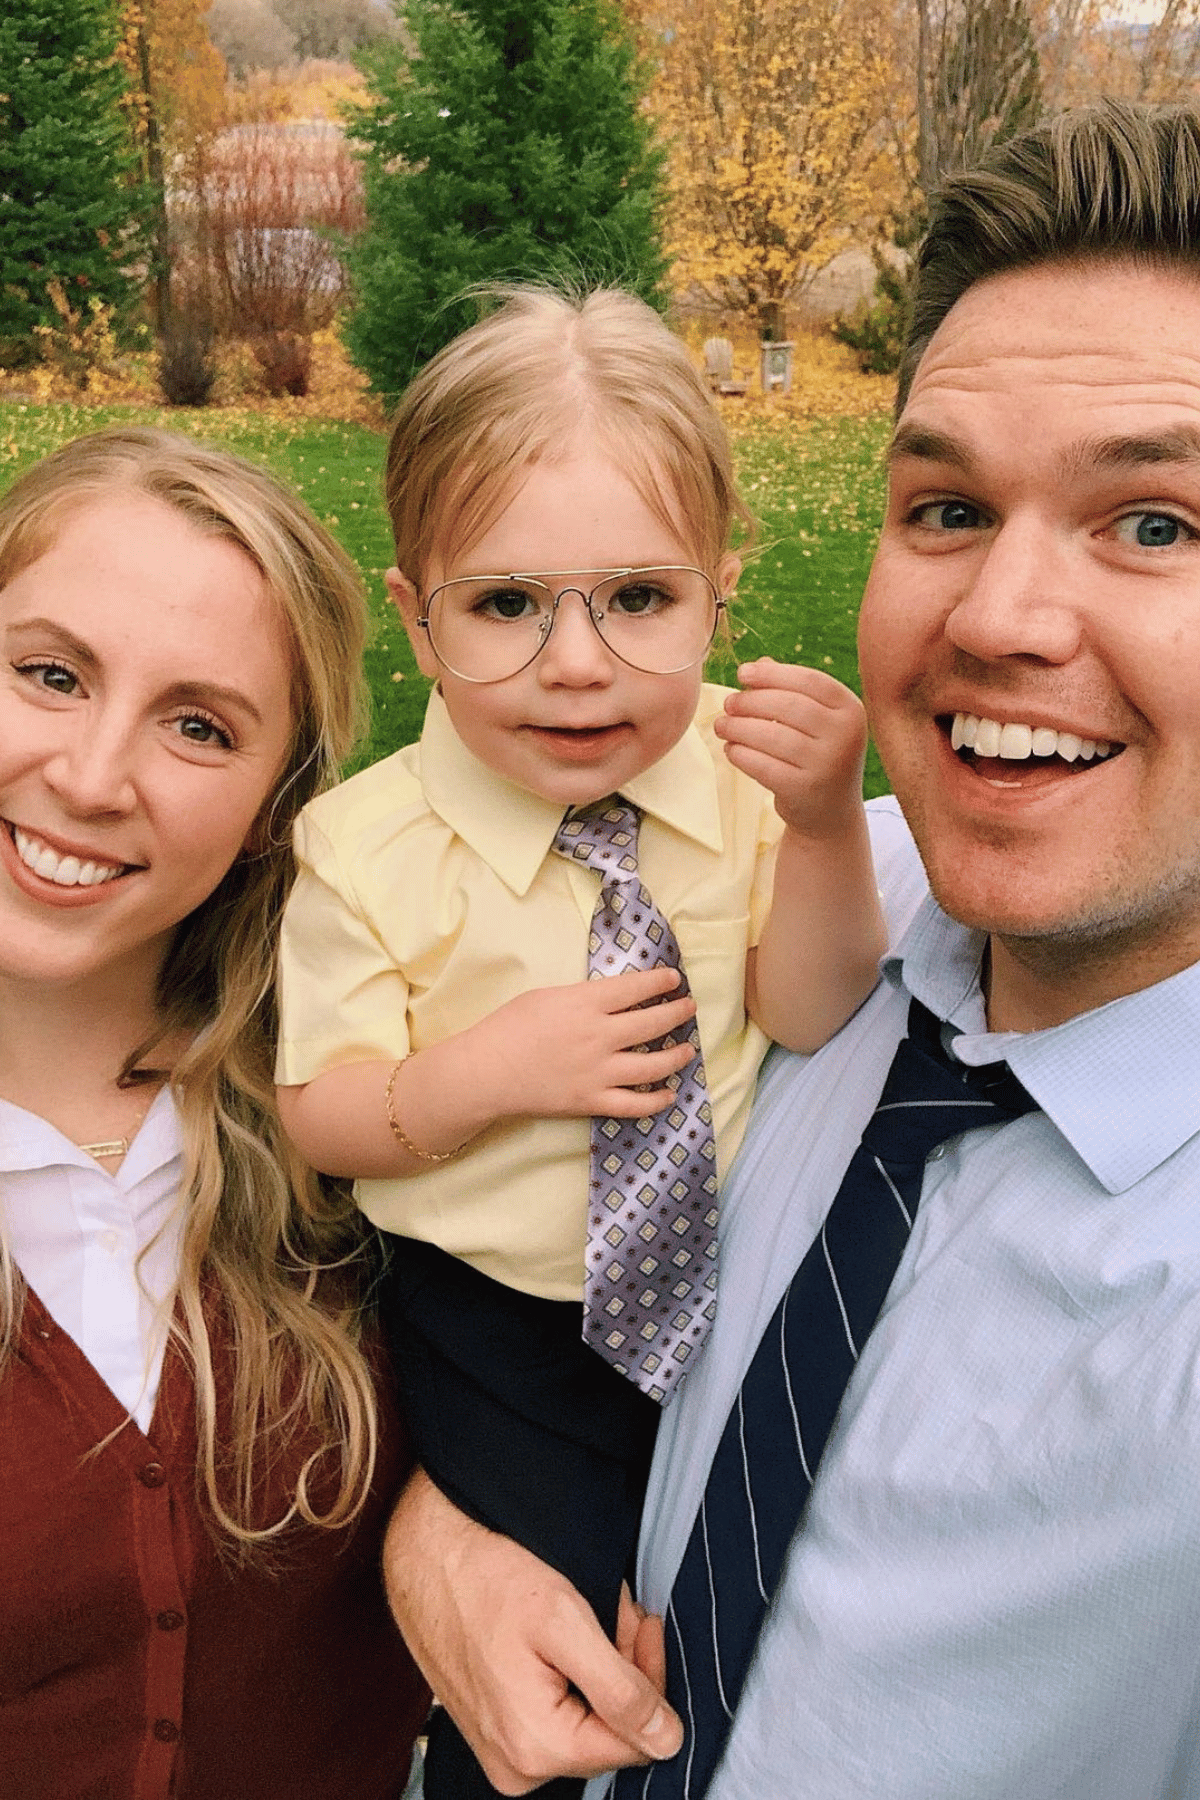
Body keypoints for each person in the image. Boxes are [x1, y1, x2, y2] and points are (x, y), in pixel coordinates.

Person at [380, 97, 1200, 1800]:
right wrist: (442, 1528)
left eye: (1158, 525)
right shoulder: (795, 898)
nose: (1000, 619)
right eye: (949, 510)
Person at [274, 288, 886, 1798]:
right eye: (505, 605)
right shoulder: (366, 848)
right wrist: (491, 1073)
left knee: (734, 1611)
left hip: (727, 1297)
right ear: (415, 611)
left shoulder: (747, 792)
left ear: (719, 593)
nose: (577, 663)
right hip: (502, 1325)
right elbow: (321, 1113)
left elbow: (811, 1003)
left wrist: (821, 829)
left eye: (637, 598)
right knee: (549, 1659)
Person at [0, 427, 430, 1799]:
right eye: (49, 675)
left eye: (200, 725)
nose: (90, 775)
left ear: (270, 811)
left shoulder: (367, 1123)